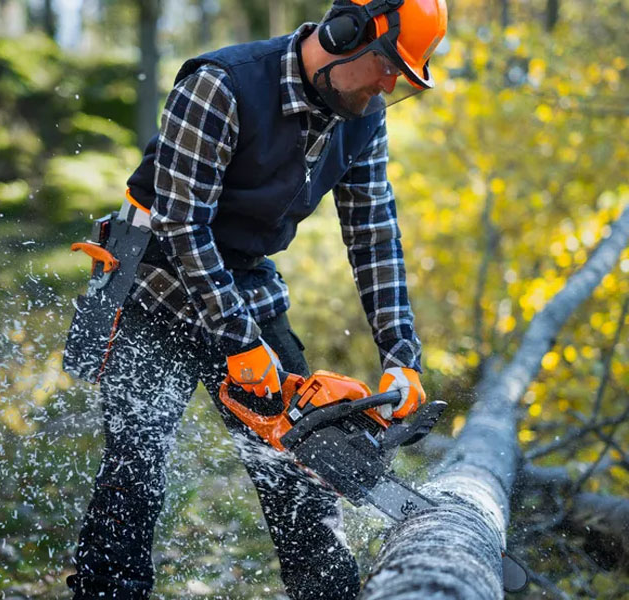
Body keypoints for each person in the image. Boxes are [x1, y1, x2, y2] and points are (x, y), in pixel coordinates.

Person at [65, 0, 448, 598]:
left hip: (244, 278)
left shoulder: (362, 117)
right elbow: (181, 223)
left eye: (402, 75)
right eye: (386, 65)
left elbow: (373, 235)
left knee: (306, 467)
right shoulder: (222, 85)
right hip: (153, 281)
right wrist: (239, 343)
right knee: (134, 470)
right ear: (346, 32)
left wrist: (402, 355)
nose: (387, 84)